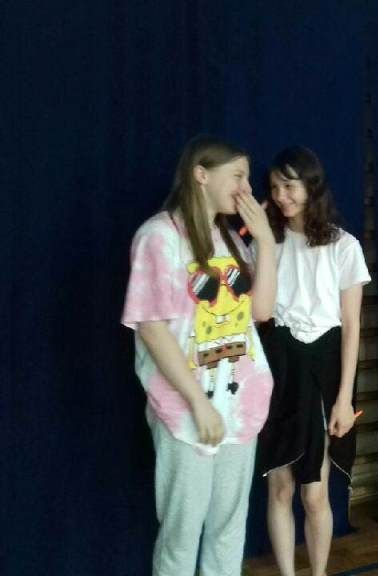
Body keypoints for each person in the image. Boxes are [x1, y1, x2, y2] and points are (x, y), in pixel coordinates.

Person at [122, 135, 276, 575]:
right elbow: (152, 327)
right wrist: (197, 402)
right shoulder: (159, 237)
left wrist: (265, 242)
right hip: (187, 410)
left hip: (239, 406)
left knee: (228, 528)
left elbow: (261, 311)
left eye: (248, 178)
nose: (246, 188)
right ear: (201, 175)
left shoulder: (231, 241)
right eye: (238, 176)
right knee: (182, 532)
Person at [256, 146, 370, 576]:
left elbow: (352, 326)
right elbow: (256, 313)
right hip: (278, 365)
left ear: (311, 185)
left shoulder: (344, 245)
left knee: (315, 492)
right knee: (280, 488)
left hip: (324, 367)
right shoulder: (266, 243)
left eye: (289, 185)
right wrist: (259, 236)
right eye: (274, 187)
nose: (281, 195)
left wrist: (344, 399)